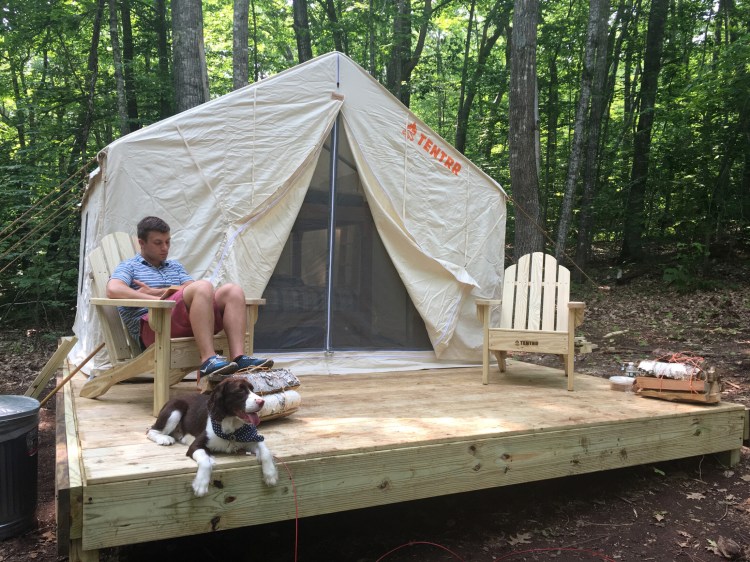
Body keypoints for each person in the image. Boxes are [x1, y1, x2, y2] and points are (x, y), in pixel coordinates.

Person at [106, 216, 273, 378]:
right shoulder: (130, 266)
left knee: (233, 291)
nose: (165, 248)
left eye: (168, 242)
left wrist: (156, 292)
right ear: (142, 243)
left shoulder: (175, 266)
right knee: (203, 286)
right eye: (158, 243)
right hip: (154, 328)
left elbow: (193, 289)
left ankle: (239, 358)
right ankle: (208, 359)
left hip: (184, 321)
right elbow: (113, 289)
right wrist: (156, 300)